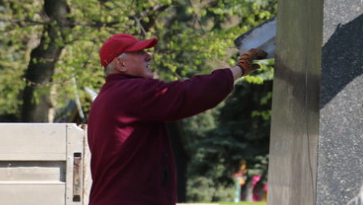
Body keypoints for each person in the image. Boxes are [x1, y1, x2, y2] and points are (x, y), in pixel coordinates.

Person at [87, 33, 266, 205]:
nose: (148, 56)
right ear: (120, 63)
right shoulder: (131, 92)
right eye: (140, 53)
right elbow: (186, 95)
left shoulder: (105, 98)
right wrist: (238, 70)